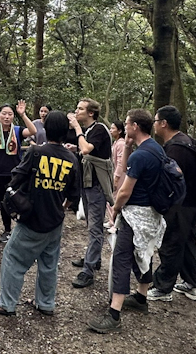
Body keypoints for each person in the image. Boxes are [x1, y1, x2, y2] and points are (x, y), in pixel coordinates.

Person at [0, 111, 81, 317]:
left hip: (32, 217)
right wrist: (61, 207)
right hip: (55, 219)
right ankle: (45, 303)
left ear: (47, 129)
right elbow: (73, 194)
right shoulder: (72, 159)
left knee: (13, 256)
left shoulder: (36, 152)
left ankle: (6, 303)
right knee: (49, 263)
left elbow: (16, 177)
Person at [88, 108, 173, 334]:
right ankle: (141, 297)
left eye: (127, 124)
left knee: (121, 258)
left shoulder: (141, 155)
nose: (124, 127)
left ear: (135, 126)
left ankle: (114, 314)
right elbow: (125, 171)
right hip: (152, 214)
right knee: (143, 253)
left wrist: (115, 209)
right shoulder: (154, 149)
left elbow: (124, 190)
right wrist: (126, 147)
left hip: (136, 214)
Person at [150, 105, 196, 302]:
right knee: (188, 241)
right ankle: (192, 283)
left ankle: (163, 287)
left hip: (182, 205)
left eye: (156, 121)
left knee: (171, 242)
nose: (154, 125)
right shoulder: (187, 141)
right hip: (193, 203)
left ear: (164, 123)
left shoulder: (176, 148)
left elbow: (172, 181)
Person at [68, 97, 114, 288]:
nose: (76, 112)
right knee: (90, 223)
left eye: (80, 109)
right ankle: (94, 260)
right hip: (87, 183)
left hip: (96, 186)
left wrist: (77, 132)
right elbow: (88, 153)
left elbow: (87, 149)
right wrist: (74, 148)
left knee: (95, 227)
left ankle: (88, 272)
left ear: (91, 113)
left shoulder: (99, 129)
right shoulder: (89, 131)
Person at [0, 103, 30, 241]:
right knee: (3, 202)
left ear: (13, 116)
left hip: (16, 173)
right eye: (4, 113)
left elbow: (33, 131)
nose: (6, 117)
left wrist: (23, 114)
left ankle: (23, 228)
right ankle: (7, 229)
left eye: (10, 114)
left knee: (19, 200)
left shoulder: (18, 130)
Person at [105, 119, 129, 232]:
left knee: (115, 198)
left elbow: (120, 162)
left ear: (119, 131)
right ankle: (111, 221)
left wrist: (116, 178)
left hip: (120, 175)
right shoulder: (116, 142)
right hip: (115, 173)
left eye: (113, 128)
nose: (110, 130)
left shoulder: (121, 144)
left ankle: (115, 223)